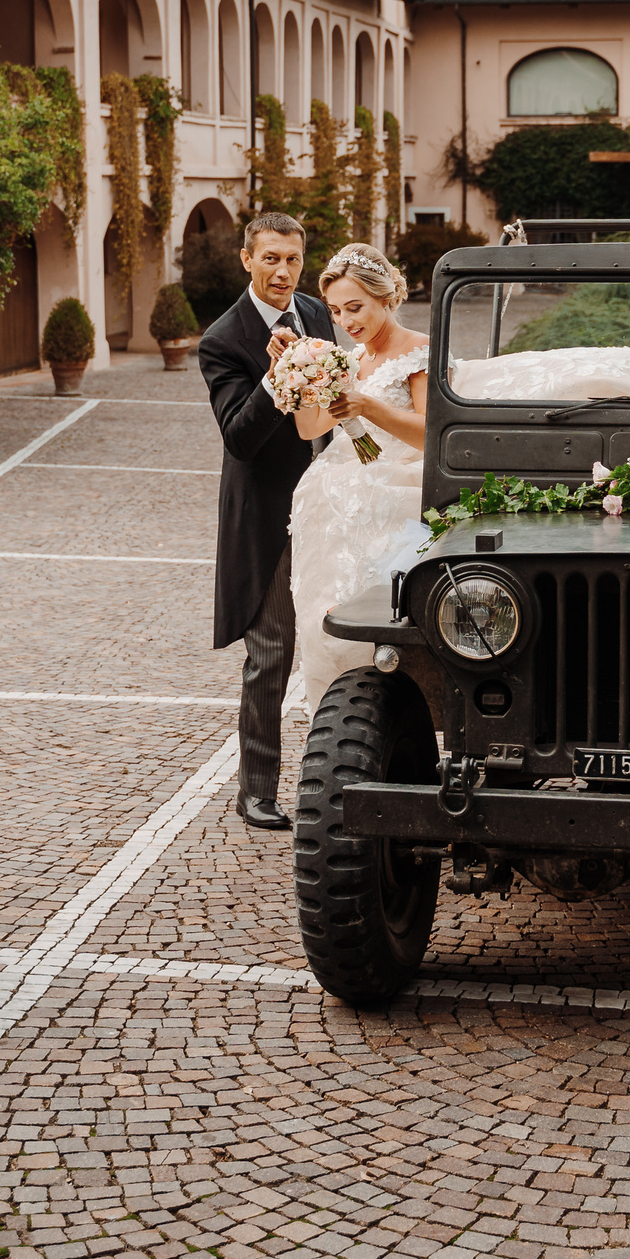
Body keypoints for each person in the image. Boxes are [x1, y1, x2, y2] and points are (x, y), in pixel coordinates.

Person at [198, 212, 336, 830]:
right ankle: (255, 790)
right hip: (271, 515)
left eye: (293, 260)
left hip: (332, 498)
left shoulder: (318, 312)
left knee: (343, 639)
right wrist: (279, 376)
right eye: (271, 259)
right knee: (271, 653)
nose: (283, 272)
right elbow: (240, 440)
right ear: (247, 260)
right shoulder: (223, 340)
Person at [285, 243, 431, 721]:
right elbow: (311, 429)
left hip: (399, 482)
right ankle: (341, 707)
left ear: (385, 299)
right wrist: (295, 377)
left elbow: (432, 434)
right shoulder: (349, 360)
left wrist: (370, 408)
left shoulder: (420, 350)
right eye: (335, 311)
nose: (345, 321)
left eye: (355, 308)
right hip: (341, 489)